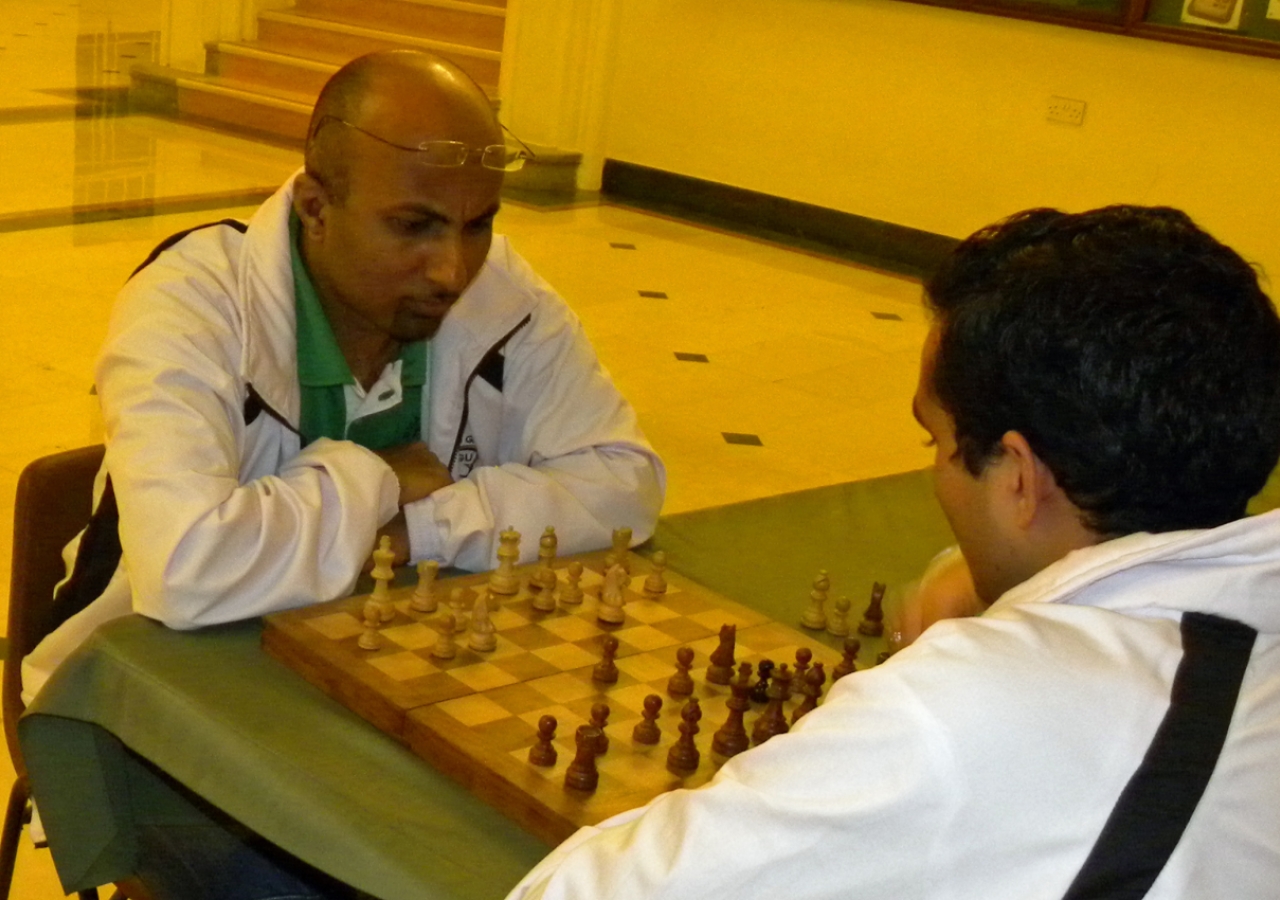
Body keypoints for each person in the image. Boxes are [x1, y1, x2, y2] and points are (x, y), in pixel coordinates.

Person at [505, 205, 1280, 900]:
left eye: (936, 440)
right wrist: (1010, 580)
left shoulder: (956, 709)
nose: (934, 473)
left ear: (1016, 476)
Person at [22, 49, 665, 701]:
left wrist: (416, 529)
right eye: (413, 226)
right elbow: (186, 568)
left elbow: (622, 483)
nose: (451, 269)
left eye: (478, 226)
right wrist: (382, 476)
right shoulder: (192, 302)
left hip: (387, 666)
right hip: (135, 697)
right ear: (316, 207)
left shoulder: (502, 295)